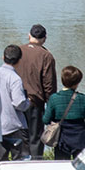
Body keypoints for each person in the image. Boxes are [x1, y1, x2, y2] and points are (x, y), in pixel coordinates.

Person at [16, 24, 58, 158]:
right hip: (35, 103)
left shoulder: (18, 51)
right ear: (44, 39)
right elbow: (49, 84)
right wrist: (51, 105)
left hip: (16, 102)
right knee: (35, 139)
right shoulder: (46, 56)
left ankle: (19, 164)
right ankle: (35, 165)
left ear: (29, 36)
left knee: (20, 137)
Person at [43, 65, 85, 159]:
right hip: (81, 139)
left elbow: (46, 119)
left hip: (62, 140)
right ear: (77, 82)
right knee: (80, 169)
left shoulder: (54, 98)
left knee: (61, 168)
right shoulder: (83, 98)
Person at [0, 45, 31, 158]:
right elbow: (18, 103)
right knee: (19, 162)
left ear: (3, 57)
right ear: (19, 60)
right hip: (15, 126)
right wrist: (28, 102)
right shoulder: (15, 79)